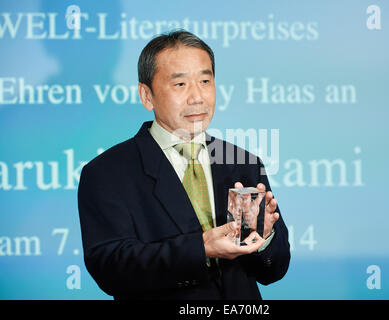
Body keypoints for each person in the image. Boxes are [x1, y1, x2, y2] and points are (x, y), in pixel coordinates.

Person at [77, 30, 290, 300]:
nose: (197, 97)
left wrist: (265, 239)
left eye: (205, 80)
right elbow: (110, 267)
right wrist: (200, 249)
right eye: (180, 85)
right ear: (147, 95)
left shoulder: (242, 161)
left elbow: (274, 270)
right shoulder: (107, 173)